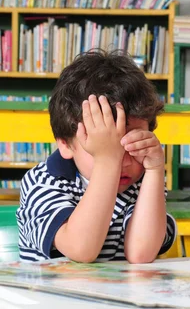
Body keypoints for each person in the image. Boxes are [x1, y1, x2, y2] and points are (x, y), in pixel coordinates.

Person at [17, 50, 176, 264]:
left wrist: (156, 170)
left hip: (118, 295)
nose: (124, 161)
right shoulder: (43, 182)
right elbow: (81, 249)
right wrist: (107, 161)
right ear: (65, 144)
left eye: (133, 144)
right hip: (51, 296)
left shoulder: (142, 182)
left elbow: (141, 253)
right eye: (105, 147)